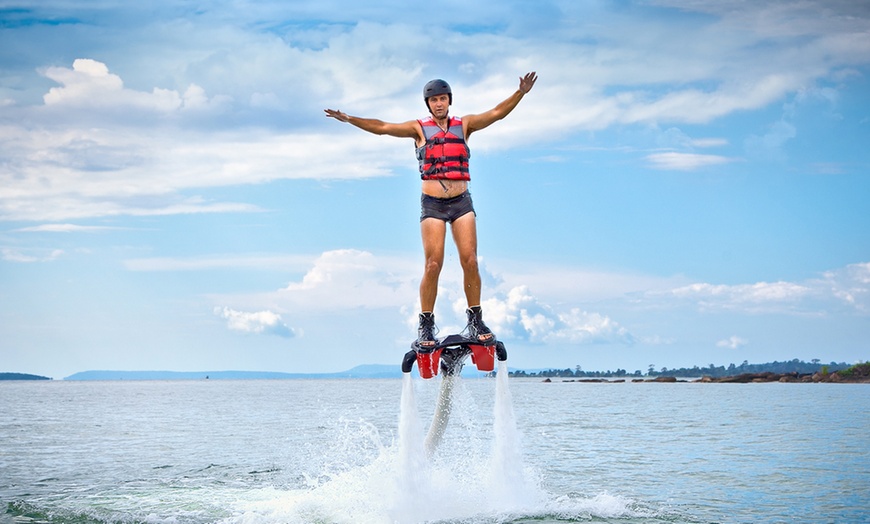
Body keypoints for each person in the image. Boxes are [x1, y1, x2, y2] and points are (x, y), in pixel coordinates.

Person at [324, 72, 537, 349]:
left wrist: (520, 93)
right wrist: (350, 119)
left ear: (449, 101)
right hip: (433, 204)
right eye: (434, 100)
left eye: (443, 99)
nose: (439, 104)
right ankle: (426, 323)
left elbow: (497, 113)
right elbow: (383, 127)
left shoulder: (466, 125)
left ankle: (475, 319)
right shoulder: (418, 129)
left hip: (462, 202)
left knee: (470, 260)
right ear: (428, 104)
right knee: (433, 264)